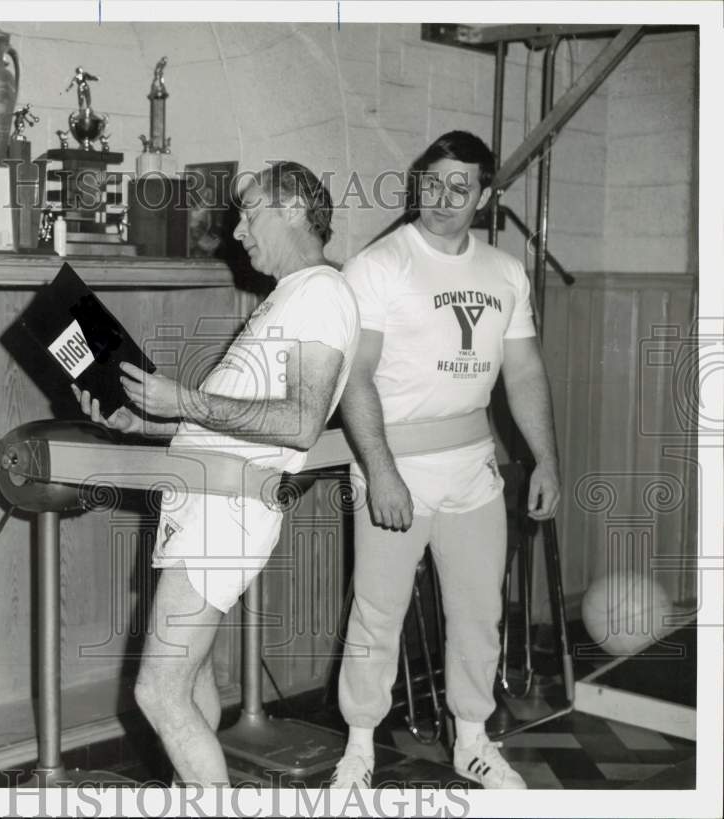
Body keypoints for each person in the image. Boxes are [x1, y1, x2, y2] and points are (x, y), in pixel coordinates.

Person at [73, 161, 360, 786]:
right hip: (205, 503)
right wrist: (145, 425)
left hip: (227, 512)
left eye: (250, 212)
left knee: (158, 691)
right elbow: (230, 422)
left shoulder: (322, 292)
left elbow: (300, 423)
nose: (237, 232)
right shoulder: (288, 297)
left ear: (291, 209)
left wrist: (182, 400)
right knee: (192, 678)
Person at [331, 131, 560, 790]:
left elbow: (523, 373)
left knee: (477, 610)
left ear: (484, 195)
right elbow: (356, 377)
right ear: (417, 182)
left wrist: (544, 457)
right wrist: (379, 471)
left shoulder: (505, 272)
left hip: (472, 467)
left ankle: (472, 741)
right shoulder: (377, 266)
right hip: (395, 465)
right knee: (378, 611)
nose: (442, 198)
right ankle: (359, 746)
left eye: (460, 187)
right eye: (432, 182)